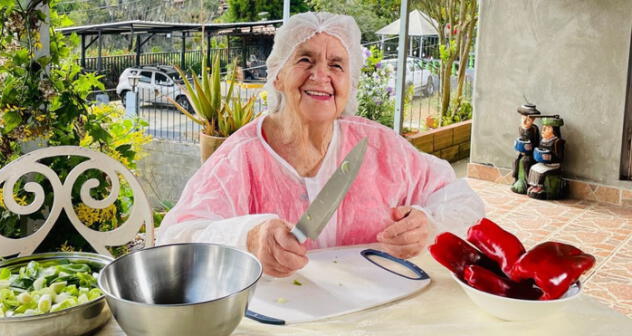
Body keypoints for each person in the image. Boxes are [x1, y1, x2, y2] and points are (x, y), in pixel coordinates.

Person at [157, 12, 485, 277]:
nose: (320, 75)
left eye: (336, 65)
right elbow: (176, 240)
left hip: (373, 312)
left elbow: (463, 201)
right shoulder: (240, 157)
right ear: (277, 75)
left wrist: (429, 222)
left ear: (350, 83)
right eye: (305, 60)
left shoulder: (379, 146)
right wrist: (247, 236)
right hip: (277, 320)